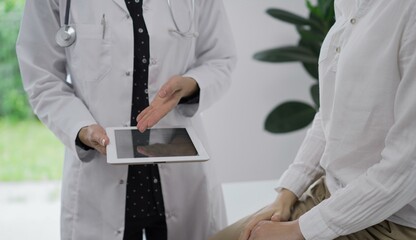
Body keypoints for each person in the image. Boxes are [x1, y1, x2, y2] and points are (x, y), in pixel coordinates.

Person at [16, 0, 236, 239]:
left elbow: (220, 59)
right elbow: (41, 76)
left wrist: (191, 86)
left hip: (183, 178)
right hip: (99, 175)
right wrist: (80, 128)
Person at [209, 0, 416, 239]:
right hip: (331, 197)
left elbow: (407, 169)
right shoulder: (350, 5)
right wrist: (287, 194)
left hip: (391, 221)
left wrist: (300, 229)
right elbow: (331, 113)